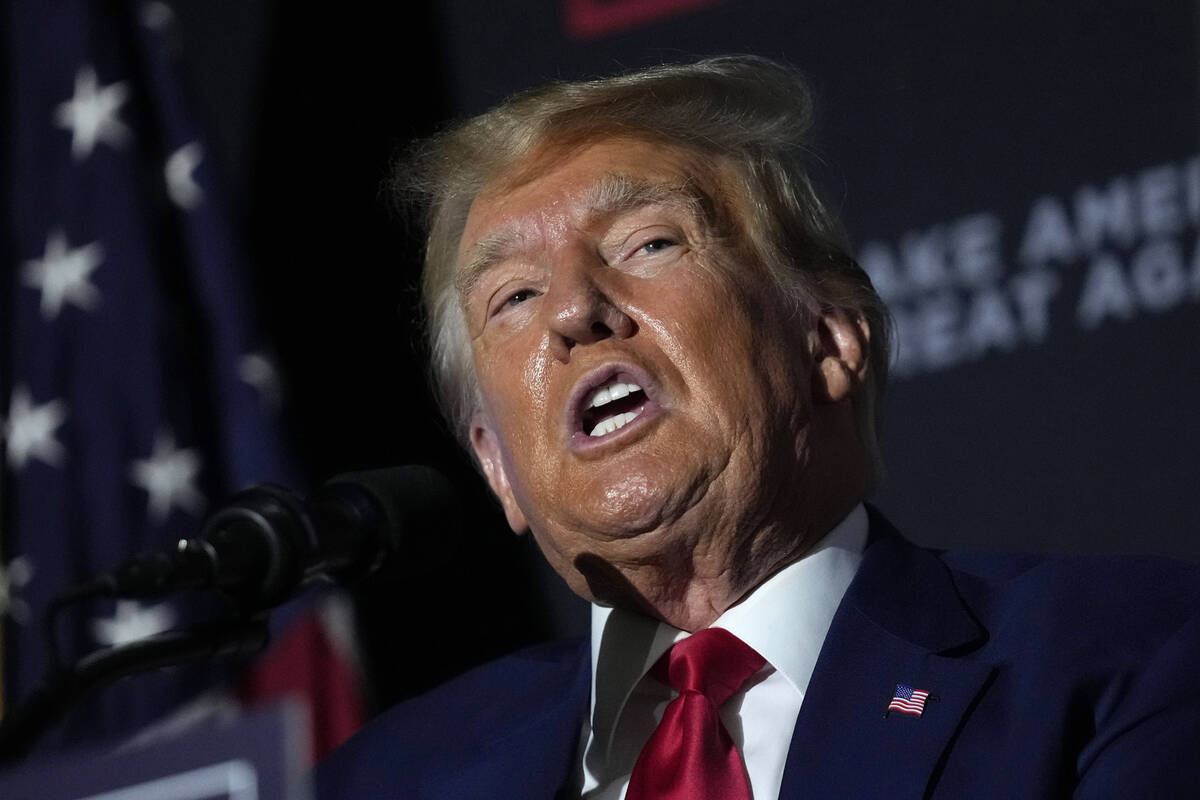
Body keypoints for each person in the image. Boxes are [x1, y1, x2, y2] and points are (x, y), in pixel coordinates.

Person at [316, 56, 1200, 798]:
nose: (575, 311)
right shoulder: (387, 780)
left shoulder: (1124, 656)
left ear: (829, 339)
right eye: (513, 296)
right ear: (495, 467)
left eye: (647, 244)